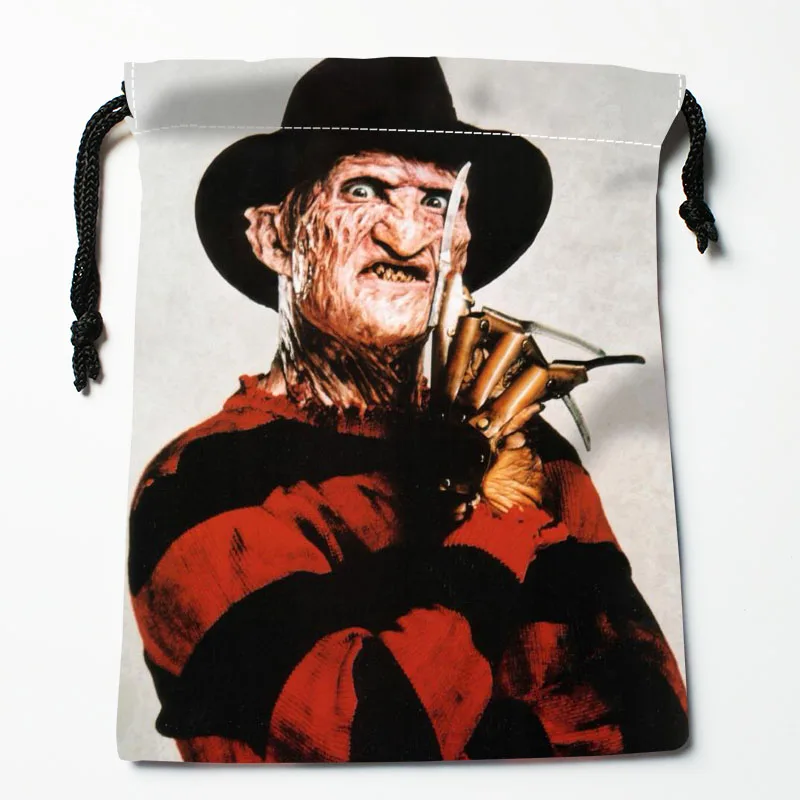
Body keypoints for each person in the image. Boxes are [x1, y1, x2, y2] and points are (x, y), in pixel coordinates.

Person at [129, 57, 688, 763]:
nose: (407, 236)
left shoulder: (534, 450)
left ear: (463, 248)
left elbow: (652, 716)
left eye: (438, 203)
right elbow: (365, 739)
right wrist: (499, 528)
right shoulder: (197, 480)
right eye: (364, 190)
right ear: (275, 238)